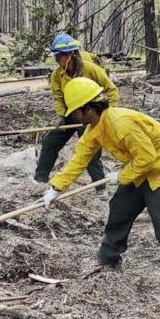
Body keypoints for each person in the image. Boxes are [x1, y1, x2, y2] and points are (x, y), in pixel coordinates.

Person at [43, 77, 160, 293]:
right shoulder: (95, 128)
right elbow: (79, 159)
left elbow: (147, 157)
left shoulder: (121, 124)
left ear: (88, 109)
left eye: (75, 111)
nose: (73, 115)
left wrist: (122, 175)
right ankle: (109, 257)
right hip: (138, 169)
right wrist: (56, 188)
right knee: (120, 209)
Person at [34, 34, 119, 198]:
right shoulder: (57, 75)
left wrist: (108, 113)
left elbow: (111, 90)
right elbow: (58, 96)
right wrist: (60, 115)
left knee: (90, 151)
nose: (57, 60)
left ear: (71, 54)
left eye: (60, 56)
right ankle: (40, 180)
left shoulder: (91, 70)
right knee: (49, 142)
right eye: (55, 57)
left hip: (90, 115)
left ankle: (100, 188)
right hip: (71, 113)